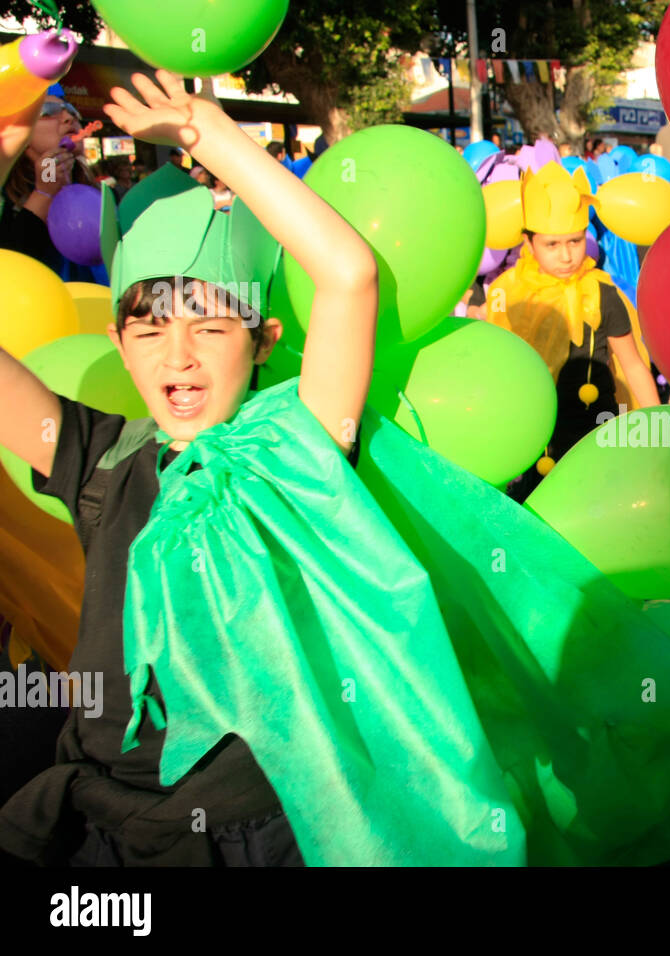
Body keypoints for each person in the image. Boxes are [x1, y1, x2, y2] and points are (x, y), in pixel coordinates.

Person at [0, 69, 379, 866]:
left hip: (256, 834)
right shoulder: (104, 459)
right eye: (150, 330)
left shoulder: (295, 456)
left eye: (210, 327)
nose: (179, 356)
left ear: (266, 340)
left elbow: (349, 276)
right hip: (101, 827)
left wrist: (214, 138)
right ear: (117, 344)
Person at [482, 161, 660, 498]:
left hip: (594, 427)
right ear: (528, 242)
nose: (566, 256)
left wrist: (655, 428)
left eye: (575, 242)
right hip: (533, 434)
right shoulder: (507, 292)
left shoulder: (602, 291)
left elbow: (633, 364)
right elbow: (497, 364)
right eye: (552, 244)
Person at [0, 84, 101, 280]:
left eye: (71, 111)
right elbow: (11, 269)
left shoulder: (98, 192)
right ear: (19, 132)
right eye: (48, 112)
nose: (68, 117)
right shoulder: (5, 194)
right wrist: (44, 194)